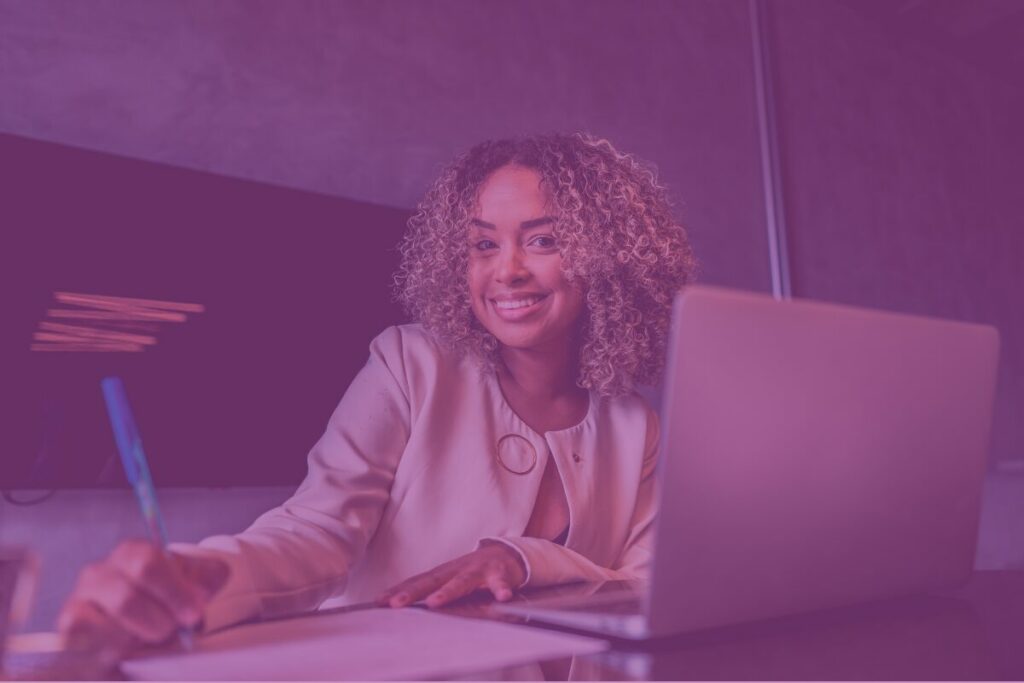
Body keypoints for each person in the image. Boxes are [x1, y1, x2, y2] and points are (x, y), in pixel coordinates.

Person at [57, 132, 696, 658]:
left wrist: (523, 561)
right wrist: (204, 576)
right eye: (482, 244)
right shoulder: (410, 362)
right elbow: (317, 530)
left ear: (609, 259)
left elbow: (647, 587)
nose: (507, 270)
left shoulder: (632, 423)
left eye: (544, 240)